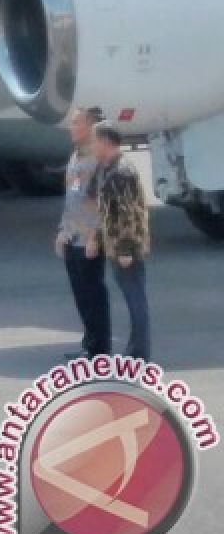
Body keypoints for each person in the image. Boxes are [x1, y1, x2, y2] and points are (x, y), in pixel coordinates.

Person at [90, 122, 152, 361]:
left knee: (136, 300)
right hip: (116, 246)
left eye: (95, 141)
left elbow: (127, 214)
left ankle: (140, 354)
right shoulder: (108, 168)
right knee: (132, 298)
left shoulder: (121, 172)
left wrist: (125, 249)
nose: (93, 146)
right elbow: (106, 211)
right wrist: (97, 238)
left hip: (126, 248)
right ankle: (136, 351)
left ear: (106, 142)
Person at [56, 106, 111, 358]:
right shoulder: (76, 156)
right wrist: (62, 232)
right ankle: (90, 344)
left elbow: (102, 202)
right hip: (72, 238)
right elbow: (72, 199)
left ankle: (100, 351)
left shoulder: (97, 160)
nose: (71, 127)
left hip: (89, 239)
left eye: (76, 122)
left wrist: (95, 237)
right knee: (81, 295)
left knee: (94, 296)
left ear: (90, 127)